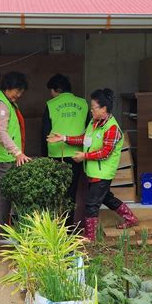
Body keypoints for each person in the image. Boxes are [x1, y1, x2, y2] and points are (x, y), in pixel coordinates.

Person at [47, 88, 138, 241]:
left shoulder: (112, 128)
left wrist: (84, 156)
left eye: (94, 107)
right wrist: (64, 138)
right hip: (93, 171)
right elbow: (85, 139)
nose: (91, 110)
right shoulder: (94, 123)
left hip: (102, 173)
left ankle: (90, 237)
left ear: (104, 109)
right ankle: (130, 218)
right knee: (106, 198)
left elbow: (105, 153)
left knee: (91, 204)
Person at [0, 71, 30, 245]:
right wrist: (17, 152)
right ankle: (1, 236)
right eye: (17, 91)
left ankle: (4, 233)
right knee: (2, 196)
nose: (18, 95)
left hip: (4, 157)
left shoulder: (5, 101)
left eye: (21, 92)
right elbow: (0, 133)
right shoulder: (1, 105)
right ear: (8, 87)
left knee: (5, 196)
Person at [42, 74, 89, 212]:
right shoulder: (83, 103)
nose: (51, 94)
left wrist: (44, 155)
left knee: (56, 192)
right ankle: (68, 227)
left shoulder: (50, 105)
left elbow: (45, 132)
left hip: (55, 154)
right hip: (78, 155)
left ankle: (56, 227)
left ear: (58, 89)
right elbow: (89, 129)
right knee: (71, 192)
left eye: (51, 90)